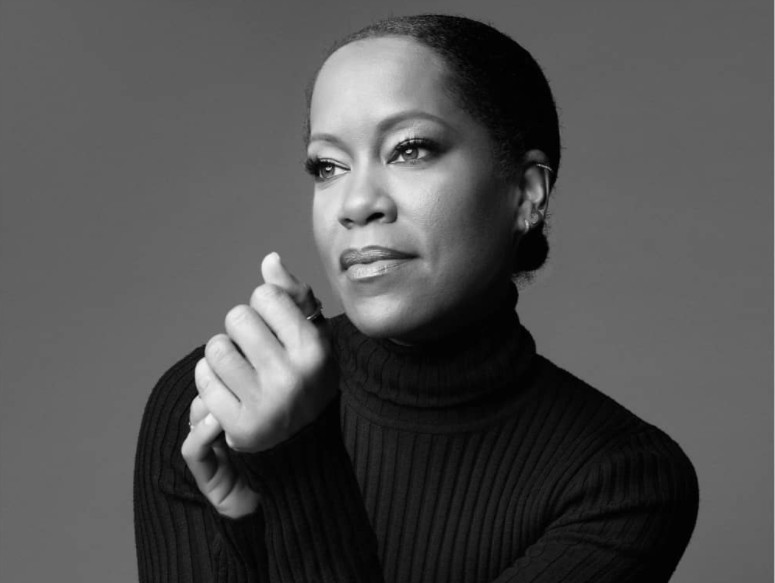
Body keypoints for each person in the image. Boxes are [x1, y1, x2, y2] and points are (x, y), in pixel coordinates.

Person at [134, 14, 699, 582]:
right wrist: (245, 522)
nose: (357, 204)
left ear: (526, 193)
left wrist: (296, 462)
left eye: (410, 150)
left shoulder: (623, 480)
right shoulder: (213, 400)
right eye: (328, 166)